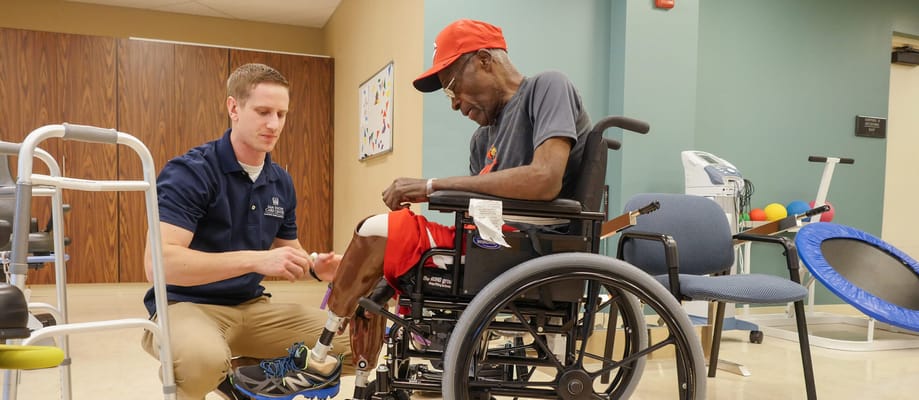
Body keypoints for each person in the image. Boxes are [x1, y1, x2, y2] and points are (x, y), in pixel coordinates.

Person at [232, 19, 592, 399]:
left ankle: (319, 361)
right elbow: (479, 209)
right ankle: (358, 375)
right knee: (376, 277)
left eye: (453, 86)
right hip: (492, 243)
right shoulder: (482, 139)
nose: (454, 103)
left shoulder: (546, 87)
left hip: (532, 247)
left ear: (485, 60)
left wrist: (433, 186)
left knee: (375, 230)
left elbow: (546, 178)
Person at [140, 63, 351, 400]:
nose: (274, 124)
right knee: (202, 363)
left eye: (281, 114)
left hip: (251, 306)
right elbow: (159, 265)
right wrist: (256, 260)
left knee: (352, 343)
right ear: (233, 108)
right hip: (185, 305)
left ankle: (241, 378)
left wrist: (315, 266)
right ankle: (210, 371)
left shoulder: (280, 180)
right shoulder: (190, 172)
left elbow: (289, 251)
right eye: (263, 111)